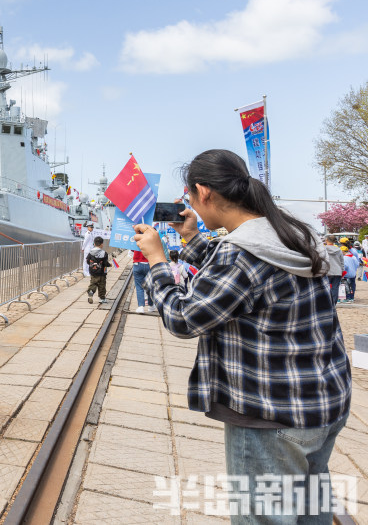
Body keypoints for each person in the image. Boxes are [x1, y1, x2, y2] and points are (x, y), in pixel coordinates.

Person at [134, 149, 350, 521]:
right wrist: (192, 239)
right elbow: (243, 282)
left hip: (271, 418)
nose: (191, 206)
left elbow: (184, 319)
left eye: (190, 197)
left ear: (203, 192)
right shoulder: (292, 232)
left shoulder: (239, 254)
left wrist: (157, 261)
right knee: (311, 512)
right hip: (323, 403)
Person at [85, 236, 111, 304]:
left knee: (93, 283)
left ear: (94, 244)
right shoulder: (104, 253)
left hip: (93, 271)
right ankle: (102, 298)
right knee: (102, 285)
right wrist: (109, 265)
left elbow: (87, 261)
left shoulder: (90, 252)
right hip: (102, 272)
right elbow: (105, 263)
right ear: (102, 244)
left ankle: (91, 292)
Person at [323, 237, 344, 304]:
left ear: (326, 240)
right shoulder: (339, 250)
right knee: (335, 288)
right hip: (337, 271)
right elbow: (342, 262)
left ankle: (326, 303)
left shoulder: (323, 249)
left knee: (325, 288)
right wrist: (342, 270)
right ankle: (333, 303)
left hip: (327, 271)